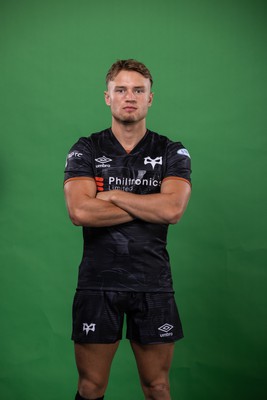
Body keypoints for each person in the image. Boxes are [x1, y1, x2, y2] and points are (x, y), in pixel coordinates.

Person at [64, 59, 192, 400]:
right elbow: (80, 210)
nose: (129, 96)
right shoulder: (86, 148)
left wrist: (115, 196)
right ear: (107, 97)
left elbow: (172, 209)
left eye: (139, 90)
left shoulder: (171, 151)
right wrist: (149, 204)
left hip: (153, 284)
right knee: (90, 387)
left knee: (158, 387)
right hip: (97, 284)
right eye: (121, 89)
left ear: (151, 98)